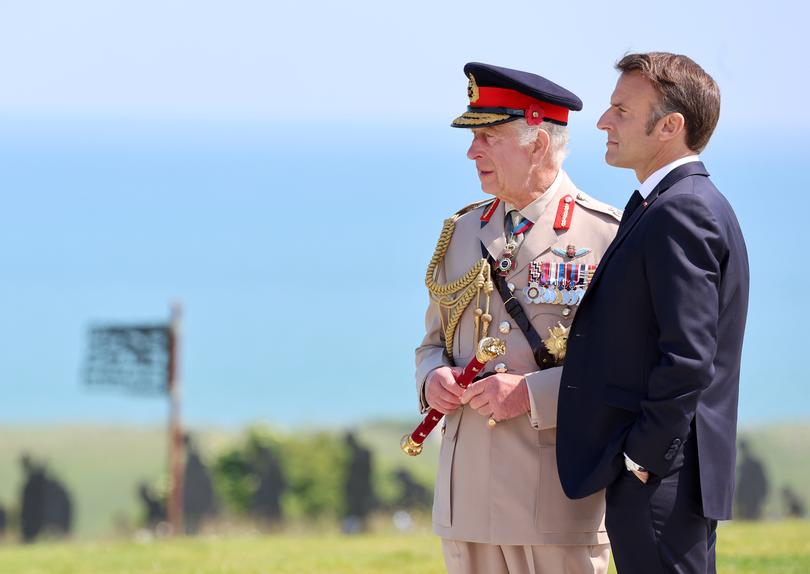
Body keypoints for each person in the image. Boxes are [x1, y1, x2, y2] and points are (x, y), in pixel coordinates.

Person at [415, 62, 621, 574]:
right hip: (468, 502)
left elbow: (622, 369)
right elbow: (431, 343)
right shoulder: (462, 233)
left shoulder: (606, 236)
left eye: (489, 137)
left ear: (537, 144)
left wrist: (528, 394)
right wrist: (431, 379)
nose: (471, 152)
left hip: (555, 502)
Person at [556, 52, 750, 574]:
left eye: (621, 109)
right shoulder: (665, 204)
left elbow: (688, 355)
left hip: (661, 481)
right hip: (665, 479)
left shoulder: (681, 209)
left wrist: (642, 460)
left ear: (669, 126)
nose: (602, 121)